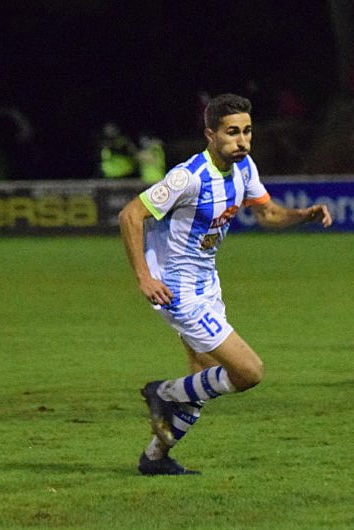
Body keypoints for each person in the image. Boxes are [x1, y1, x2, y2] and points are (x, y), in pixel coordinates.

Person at [119, 93, 332, 476]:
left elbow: (267, 213)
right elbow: (131, 215)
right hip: (178, 290)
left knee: (202, 381)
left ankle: (155, 458)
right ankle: (161, 392)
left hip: (208, 284)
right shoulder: (188, 177)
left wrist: (303, 215)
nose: (242, 140)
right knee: (248, 372)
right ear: (210, 134)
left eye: (247, 131)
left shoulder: (244, 168)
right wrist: (144, 277)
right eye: (232, 132)